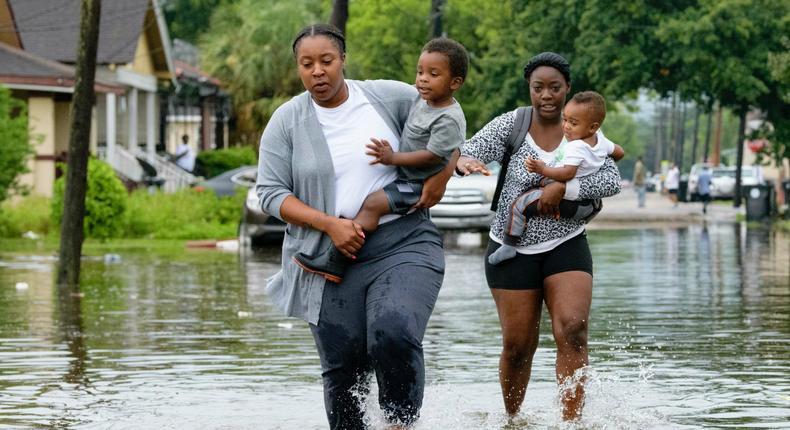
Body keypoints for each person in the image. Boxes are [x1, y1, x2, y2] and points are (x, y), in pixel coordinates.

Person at [256, 24, 458, 429]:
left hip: (403, 242)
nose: (318, 72)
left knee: (394, 332)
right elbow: (270, 194)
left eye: (326, 61)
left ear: (343, 60)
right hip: (329, 259)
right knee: (343, 370)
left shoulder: (389, 97)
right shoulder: (287, 121)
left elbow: (448, 124)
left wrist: (444, 173)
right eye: (307, 64)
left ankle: (401, 424)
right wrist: (330, 224)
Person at [456, 52, 621, 421]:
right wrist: (463, 162)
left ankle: (571, 422)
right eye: (538, 88)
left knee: (574, 330)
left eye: (555, 88)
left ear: (567, 90)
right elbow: (465, 152)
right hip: (511, 247)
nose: (546, 95)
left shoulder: (587, 132)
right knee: (518, 346)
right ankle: (513, 421)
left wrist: (563, 188)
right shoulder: (512, 125)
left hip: (567, 243)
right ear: (529, 90)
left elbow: (611, 181)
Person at [294, 37, 469, 283]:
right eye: (420, 72)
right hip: (407, 177)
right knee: (371, 204)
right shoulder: (422, 98)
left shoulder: (448, 117)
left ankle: (336, 259)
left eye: (433, 74)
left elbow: (434, 154)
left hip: (417, 182)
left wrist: (393, 158)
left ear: (455, 83)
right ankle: (344, 252)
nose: (422, 79)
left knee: (374, 205)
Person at [488, 90, 624, 265]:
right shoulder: (601, 140)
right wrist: (596, 162)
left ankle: (509, 244)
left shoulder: (577, 147)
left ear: (592, 127)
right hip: (585, 204)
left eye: (573, 123)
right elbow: (619, 152)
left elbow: (567, 174)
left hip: (566, 195)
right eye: (565, 119)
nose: (566, 126)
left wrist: (542, 168)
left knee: (519, 205)